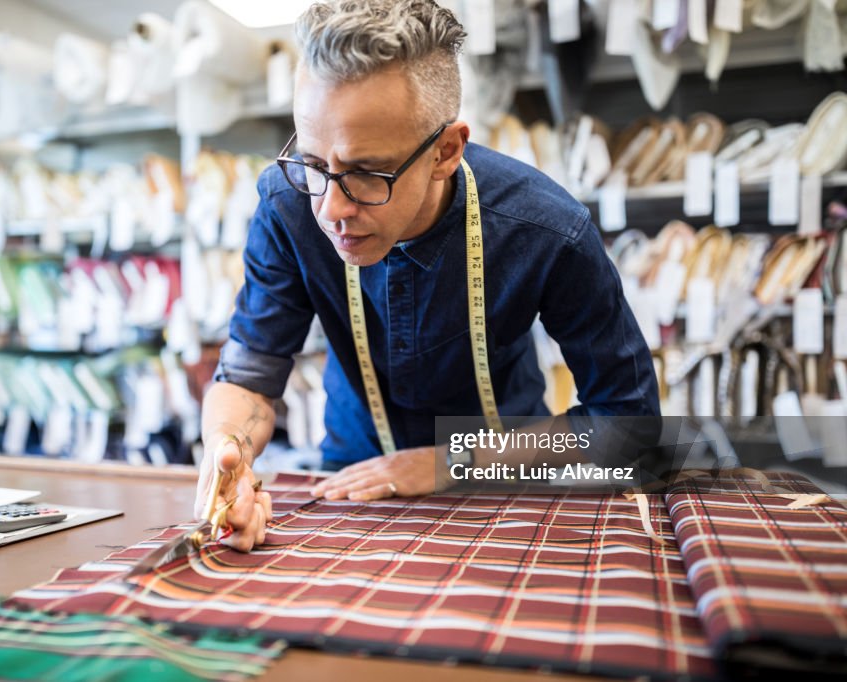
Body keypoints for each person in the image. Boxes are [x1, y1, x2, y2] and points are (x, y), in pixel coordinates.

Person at [195, 0, 660, 551]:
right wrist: (228, 460)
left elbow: (631, 429)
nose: (330, 210)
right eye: (316, 165)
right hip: (353, 476)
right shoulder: (288, 203)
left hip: (507, 476)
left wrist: (448, 464)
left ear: (445, 151)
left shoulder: (545, 230)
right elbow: (250, 372)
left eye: (366, 173)